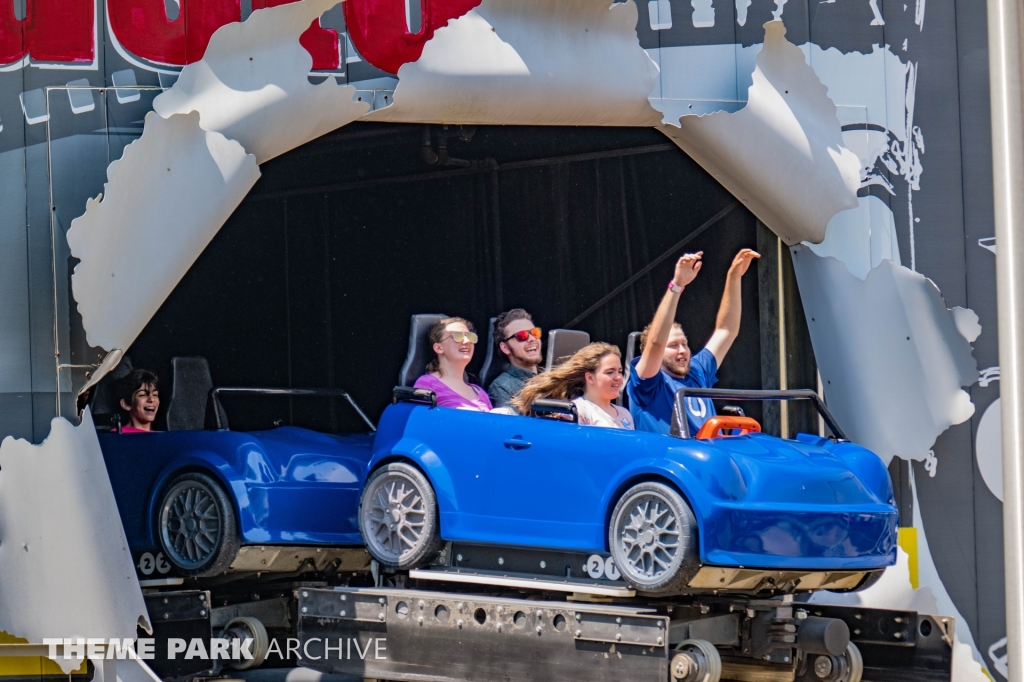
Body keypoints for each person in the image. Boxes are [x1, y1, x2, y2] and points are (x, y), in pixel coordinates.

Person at [627, 248, 760, 436]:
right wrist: (677, 285)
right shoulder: (647, 384)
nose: (682, 350)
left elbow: (726, 330)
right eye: (673, 345)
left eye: (684, 343)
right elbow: (656, 343)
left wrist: (734, 277)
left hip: (709, 451)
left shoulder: (697, 370)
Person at [512, 343, 634, 429]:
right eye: (609, 372)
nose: (618, 377)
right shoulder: (577, 410)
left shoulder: (625, 414)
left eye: (619, 371)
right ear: (590, 378)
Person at [414, 317, 493, 411]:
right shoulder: (427, 384)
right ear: (439, 348)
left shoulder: (480, 393)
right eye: (457, 336)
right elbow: (418, 418)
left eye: (470, 336)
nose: (467, 341)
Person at [487, 309, 544, 408]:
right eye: (522, 336)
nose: (532, 339)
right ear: (505, 348)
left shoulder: (551, 377)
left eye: (535, 333)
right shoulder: (501, 387)